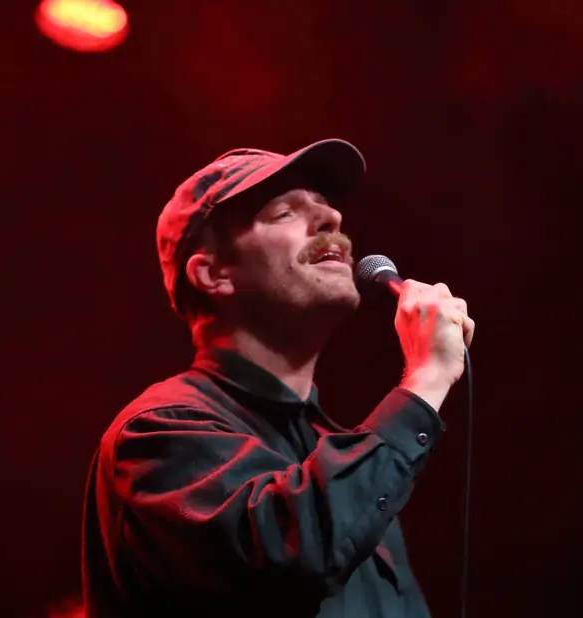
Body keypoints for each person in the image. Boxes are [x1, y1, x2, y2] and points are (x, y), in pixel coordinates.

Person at [81, 139, 474, 617]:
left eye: (326, 207)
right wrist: (426, 379)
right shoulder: (160, 431)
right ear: (213, 274)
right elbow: (295, 555)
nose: (332, 220)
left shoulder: (353, 459)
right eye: (285, 212)